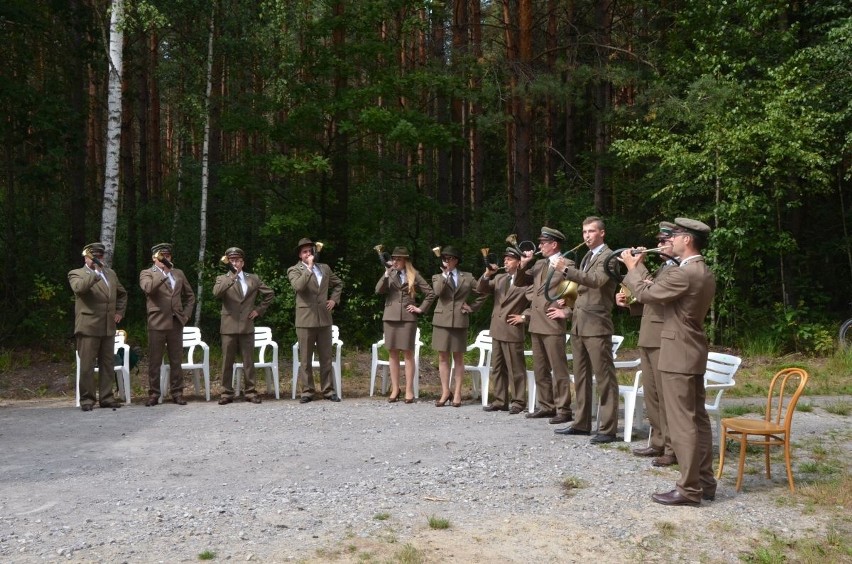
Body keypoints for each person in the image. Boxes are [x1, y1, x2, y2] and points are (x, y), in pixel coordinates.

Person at [621, 217, 716, 507]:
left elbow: (647, 294)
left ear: (687, 240)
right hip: (691, 351)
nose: (670, 240)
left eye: (675, 236)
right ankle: (705, 483)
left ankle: (689, 489)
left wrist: (633, 267)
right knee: (697, 419)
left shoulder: (684, 273)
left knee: (682, 423)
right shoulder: (703, 271)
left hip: (677, 354)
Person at [551, 216, 618, 444]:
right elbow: (582, 290)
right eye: (584, 232)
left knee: (604, 378)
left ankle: (608, 428)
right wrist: (567, 304)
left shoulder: (608, 256)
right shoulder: (588, 256)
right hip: (579, 324)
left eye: (591, 231)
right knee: (580, 377)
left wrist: (567, 270)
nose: (586, 236)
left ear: (602, 233)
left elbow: (597, 281)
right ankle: (581, 423)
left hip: (597, 325)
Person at [616, 222, 678, 465]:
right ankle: (658, 442)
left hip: (663, 338)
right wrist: (629, 301)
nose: (659, 245)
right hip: (650, 337)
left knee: (665, 397)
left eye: (664, 241)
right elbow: (648, 298)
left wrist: (635, 266)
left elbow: (657, 295)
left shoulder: (675, 269)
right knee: (652, 395)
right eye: (659, 241)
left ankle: (672, 449)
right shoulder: (664, 267)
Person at [515, 227, 573, 424]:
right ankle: (546, 405)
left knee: (558, 368)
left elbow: (577, 292)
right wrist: (524, 264)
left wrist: (565, 311)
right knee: (540, 368)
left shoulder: (567, 263)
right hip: (537, 322)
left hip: (553, 322)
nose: (539, 246)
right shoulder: (539, 263)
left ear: (554, 244)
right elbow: (520, 282)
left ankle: (564, 409)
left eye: (543, 243)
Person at [68, 242, 128, 411]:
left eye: (101, 256)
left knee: (107, 364)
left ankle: (107, 397)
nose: (99, 259)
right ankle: (87, 399)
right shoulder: (77, 273)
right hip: (88, 326)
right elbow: (79, 289)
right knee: (87, 365)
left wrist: (119, 312)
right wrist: (95, 273)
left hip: (108, 326)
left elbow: (122, 294)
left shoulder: (111, 274)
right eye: (95, 256)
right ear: (87, 257)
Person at [213, 247, 275, 405]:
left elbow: (269, 293)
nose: (235, 263)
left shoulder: (252, 278)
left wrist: (258, 310)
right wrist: (231, 278)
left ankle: (250, 392)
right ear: (228, 262)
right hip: (228, 325)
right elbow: (216, 293)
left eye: (237, 260)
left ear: (242, 262)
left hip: (247, 324)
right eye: (231, 260)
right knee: (227, 361)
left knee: (249, 361)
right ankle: (226, 393)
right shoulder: (222, 278)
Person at [375, 246, 435, 403]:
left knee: (408, 353)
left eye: (398, 259)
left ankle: (408, 389)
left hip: (408, 318)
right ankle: (395, 388)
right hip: (390, 317)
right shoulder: (390, 273)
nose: (395, 261)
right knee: (392, 353)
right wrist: (386, 273)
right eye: (394, 259)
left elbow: (430, 293)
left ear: (405, 260)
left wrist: (420, 309)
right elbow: (379, 290)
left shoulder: (413, 275)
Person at [139, 243, 196, 406]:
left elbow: (190, 296)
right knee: (155, 360)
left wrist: (185, 315)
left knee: (176, 359)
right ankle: (154, 394)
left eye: (168, 256)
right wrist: (163, 273)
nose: (165, 259)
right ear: (154, 258)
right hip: (157, 321)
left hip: (176, 321)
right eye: (161, 256)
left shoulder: (178, 273)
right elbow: (148, 289)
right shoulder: (147, 273)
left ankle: (177, 393)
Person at [287, 238, 343, 403]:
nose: (308, 254)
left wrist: (334, 300)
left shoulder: (324, 268)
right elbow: (298, 286)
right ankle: (307, 391)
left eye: (310, 251)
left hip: (324, 318)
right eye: (304, 252)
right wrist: (309, 268)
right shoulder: (294, 270)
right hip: (305, 319)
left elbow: (338, 283)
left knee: (326, 357)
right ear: (300, 255)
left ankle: (328, 390)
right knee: (305, 358)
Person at [431, 246, 486, 407]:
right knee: (442, 357)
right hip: (441, 320)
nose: (446, 261)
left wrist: (473, 307)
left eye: (449, 259)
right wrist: (445, 275)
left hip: (460, 320)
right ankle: (445, 391)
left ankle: (457, 393)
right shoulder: (437, 277)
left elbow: (484, 291)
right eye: (444, 259)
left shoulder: (467, 277)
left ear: (455, 260)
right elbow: (438, 292)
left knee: (458, 358)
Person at [479, 246, 531, 414]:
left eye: (509, 259)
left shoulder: (526, 280)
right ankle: (500, 400)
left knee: (516, 368)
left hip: (513, 329)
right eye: (505, 260)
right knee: (498, 366)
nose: (505, 262)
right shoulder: (500, 278)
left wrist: (524, 317)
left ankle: (518, 401)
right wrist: (487, 274)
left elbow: (535, 304)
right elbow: (481, 289)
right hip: (497, 329)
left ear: (518, 262)